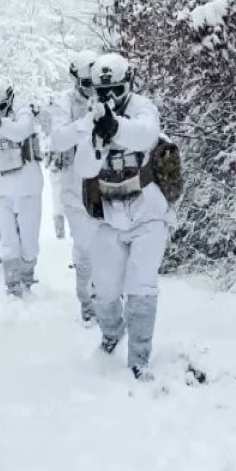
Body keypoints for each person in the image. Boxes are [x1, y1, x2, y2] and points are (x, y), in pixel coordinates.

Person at [76, 53, 173, 379]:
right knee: (104, 287)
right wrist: (97, 137)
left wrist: (115, 126)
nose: (108, 98)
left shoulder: (143, 108)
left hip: (147, 211)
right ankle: (111, 336)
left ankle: (139, 358)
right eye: (101, 92)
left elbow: (146, 134)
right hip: (109, 214)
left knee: (141, 283)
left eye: (115, 90)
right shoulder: (92, 117)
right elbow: (84, 168)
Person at [48, 50, 101, 324]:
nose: (91, 89)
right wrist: (87, 122)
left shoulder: (109, 98)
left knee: (109, 247)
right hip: (75, 187)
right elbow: (58, 139)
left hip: (107, 186)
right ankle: (89, 306)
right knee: (85, 248)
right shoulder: (64, 103)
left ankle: (110, 301)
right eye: (86, 83)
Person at [0, 78, 43, 297]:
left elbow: (22, 131)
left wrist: (0, 123)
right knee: (8, 241)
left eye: (0, 107)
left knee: (29, 242)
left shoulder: (23, 113)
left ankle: (27, 278)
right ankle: (12, 286)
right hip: (2, 190)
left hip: (27, 187)